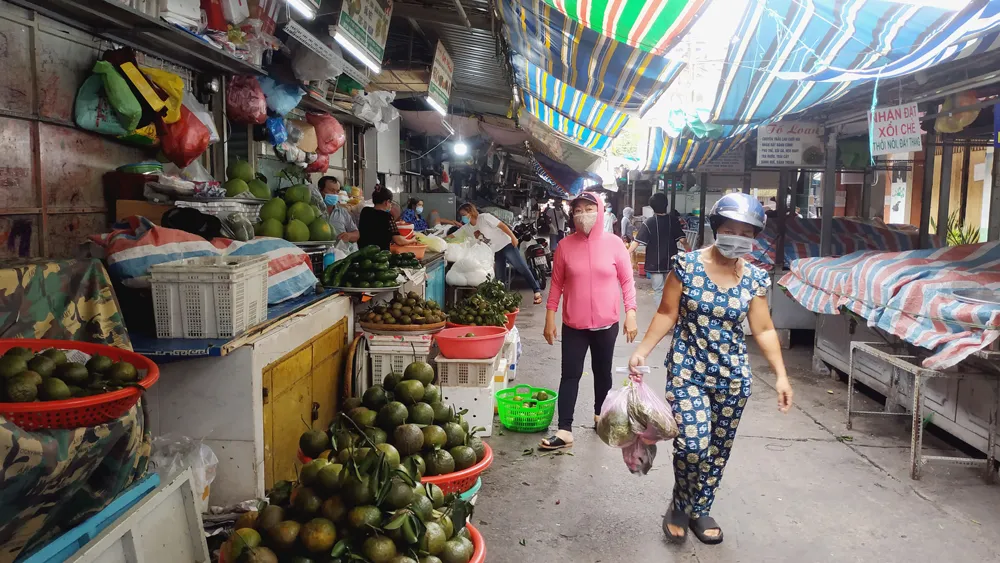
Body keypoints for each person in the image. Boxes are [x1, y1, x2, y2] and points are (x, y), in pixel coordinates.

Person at [627, 192, 793, 545]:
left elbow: (763, 329)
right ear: (717, 229)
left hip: (732, 378)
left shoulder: (754, 279)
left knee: (717, 449)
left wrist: (781, 375)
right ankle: (680, 504)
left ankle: (698, 508)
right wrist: (643, 350)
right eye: (732, 229)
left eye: (747, 233)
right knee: (692, 445)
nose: (739, 238)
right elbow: (667, 313)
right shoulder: (686, 266)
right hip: (688, 371)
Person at [540, 192, 638, 450]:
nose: (583, 214)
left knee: (602, 372)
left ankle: (599, 417)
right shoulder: (564, 246)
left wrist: (631, 313)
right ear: (572, 215)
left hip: (607, 324)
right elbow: (557, 284)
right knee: (570, 374)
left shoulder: (615, 244)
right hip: (574, 324)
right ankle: (564, 430)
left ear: (600, 211)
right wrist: (550, 317)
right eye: (578, 210)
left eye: (589, 208)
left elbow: (627, 281)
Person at [456, 203, 543, 305]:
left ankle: (537, 291)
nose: (463, 217)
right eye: (461, 215)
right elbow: (456, 235)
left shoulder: (484, 218)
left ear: (470, 212)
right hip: (495, 251)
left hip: (506, 244)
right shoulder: (469, 227)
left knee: (521, 267)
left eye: (464, 214)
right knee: (500, 277)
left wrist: (513, 238)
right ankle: (502, 301)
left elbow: (502, 226)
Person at [628, 193, 686, 301]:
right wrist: (689, 250)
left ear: (652, 207)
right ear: (666, 205)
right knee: (670, 289)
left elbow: (636, 242)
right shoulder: (673, 221)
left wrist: (627, 253)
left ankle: (661, 315)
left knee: (658, 290)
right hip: (671, 261)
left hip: (654, 263)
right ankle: (671, 313)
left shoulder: (649, 222)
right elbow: (682, 239)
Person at [358, 186, 416, 251]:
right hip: (380, 255)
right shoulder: (387, 216)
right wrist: (411, 240)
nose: (391, 205)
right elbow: (399, 241)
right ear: (386, 202)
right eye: (390, 202)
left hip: (363, 253)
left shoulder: (365, 211)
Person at [319, 176, 359, 250]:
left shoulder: (343, 212)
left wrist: (349, 235)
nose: (335, 194)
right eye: (331, 190)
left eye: (337, 191)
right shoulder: (314, 211)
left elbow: (356, 234)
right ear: (320, 190)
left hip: (340, 256)